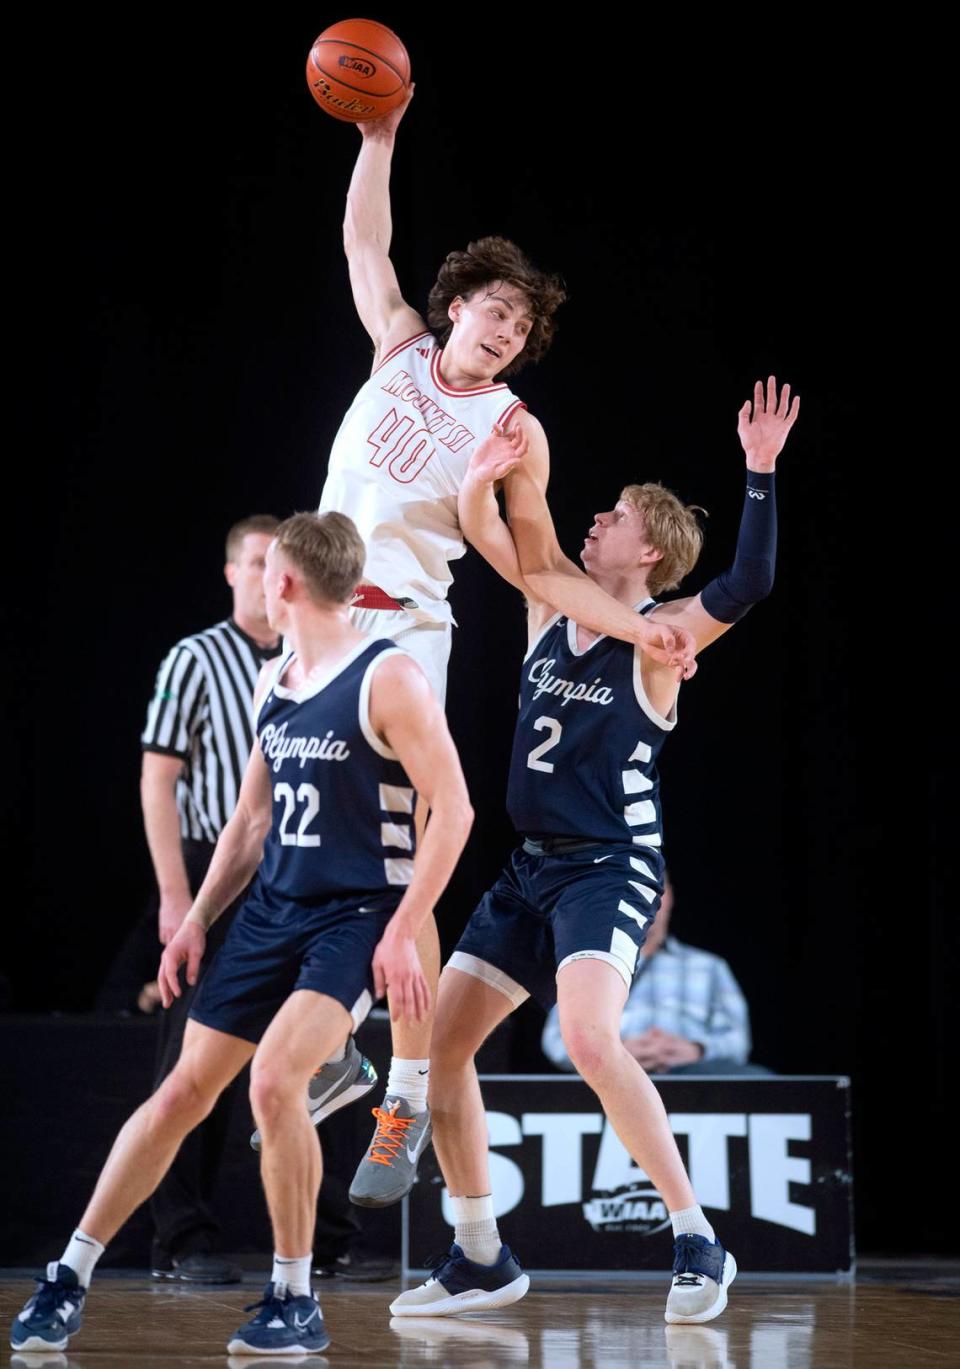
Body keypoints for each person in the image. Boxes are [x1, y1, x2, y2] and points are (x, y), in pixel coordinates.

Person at [318, 87, 696, 1209]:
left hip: (405, 628)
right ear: (456, 307)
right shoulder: (397, 344)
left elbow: (538, 571)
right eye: (493, 311)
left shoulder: (513, 431)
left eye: (523, 325)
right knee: (309, 841)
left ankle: (408, 1079)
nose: (506, 330)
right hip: (325, 621)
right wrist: (378, 141)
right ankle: (343, 1034)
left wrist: (642, 625)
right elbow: (361, 238)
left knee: (421, 842)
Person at [10, 511, 473, 1356]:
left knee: (270, 1082)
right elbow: (251, 818)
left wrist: (406, 926)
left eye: (267, 569)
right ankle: (68, 1274)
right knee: (183, 1093)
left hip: (355, 913)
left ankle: (293, 1297)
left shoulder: (389, 676)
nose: (261, 579)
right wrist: (193, 918)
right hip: (271, 909)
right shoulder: (277, 679)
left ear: (284, 582)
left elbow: (457, 809)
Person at [390, 377, 798, 1326]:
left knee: (585, 1036)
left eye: (611, 516)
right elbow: (491, 540)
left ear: (648, 546)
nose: (594, 522)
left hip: (609, 863)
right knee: (441, 1051)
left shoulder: (664, 635)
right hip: (529, 864)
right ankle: (480, 1252)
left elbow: (750, 583)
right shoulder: (549, 610)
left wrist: (761, 471)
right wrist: (483, 480)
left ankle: (697, 1235)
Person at [140, 513, 282, 1282]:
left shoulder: (306, 655)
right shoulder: (195, 657)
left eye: (276, 561)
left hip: (292, 869)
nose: (267, 575)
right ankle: (179, 1235)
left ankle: (320, 1233)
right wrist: (175, 896)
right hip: (211, 871)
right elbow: (157, 780)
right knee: (190, 1056)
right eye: (255, 561)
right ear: (232, 572)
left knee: (304, 1050)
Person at [541, 875, 771, 1075]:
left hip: (692, 1080)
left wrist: (697, 1050)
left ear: (668, 897)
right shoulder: (590, 967)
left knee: (761, 1083)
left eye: (653, 890)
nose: (644, 901)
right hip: (613, 1078)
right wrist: (614, 1052)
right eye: (634, 890)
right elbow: (555, 1041)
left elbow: (738, 1041)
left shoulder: (709, 967)